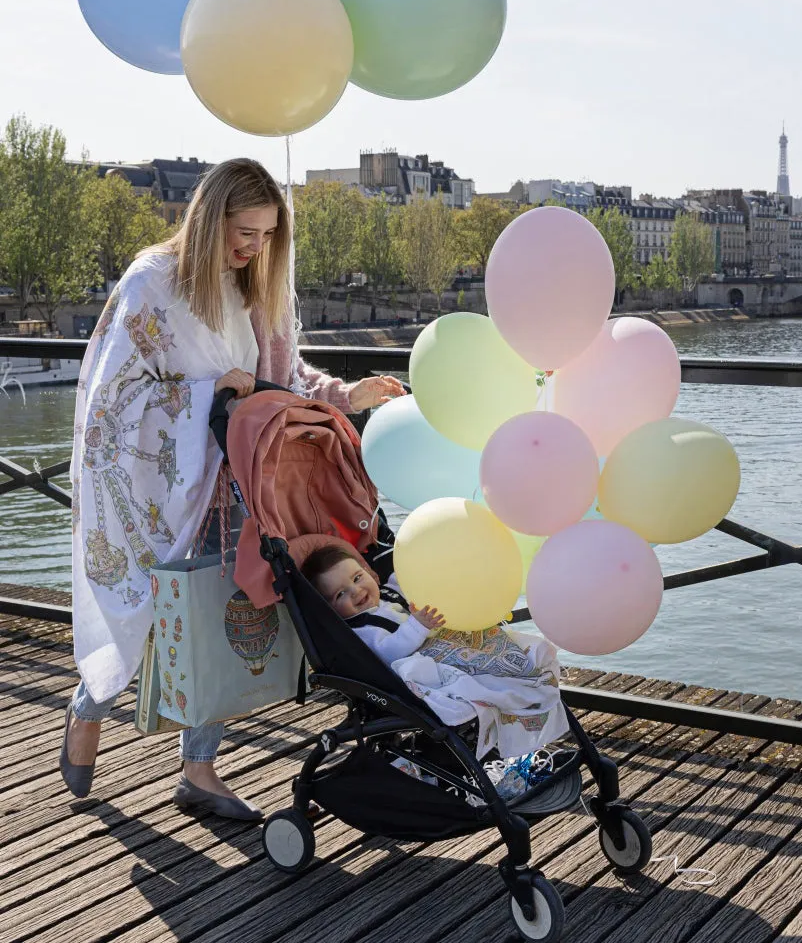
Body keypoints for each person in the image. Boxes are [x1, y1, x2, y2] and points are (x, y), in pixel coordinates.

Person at [61, 158, 405, 820]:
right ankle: (87, 708)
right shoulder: (151, 284)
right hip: (157, 489)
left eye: (268, 234)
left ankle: (199, 770)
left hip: (239, 486)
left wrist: (346, 395)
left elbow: (282, 378)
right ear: (209, 216)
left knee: (223, 619)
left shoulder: (259, 287)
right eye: (243, 231)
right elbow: (113, 402)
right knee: (145, 619)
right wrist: (204, 400)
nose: (254, 246)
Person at [300, 545, 569, 768]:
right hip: (412, 672)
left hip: (440, 649)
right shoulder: (362, 630)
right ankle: (517, 731)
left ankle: (526, 698)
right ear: (330, 610)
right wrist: (417, 626)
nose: (356, 592)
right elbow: (386, 652)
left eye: (357, 578)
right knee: (484, 681)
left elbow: (407, 581)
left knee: (512, 652)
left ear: (369, 573)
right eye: (340, 594)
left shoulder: (387, 596)